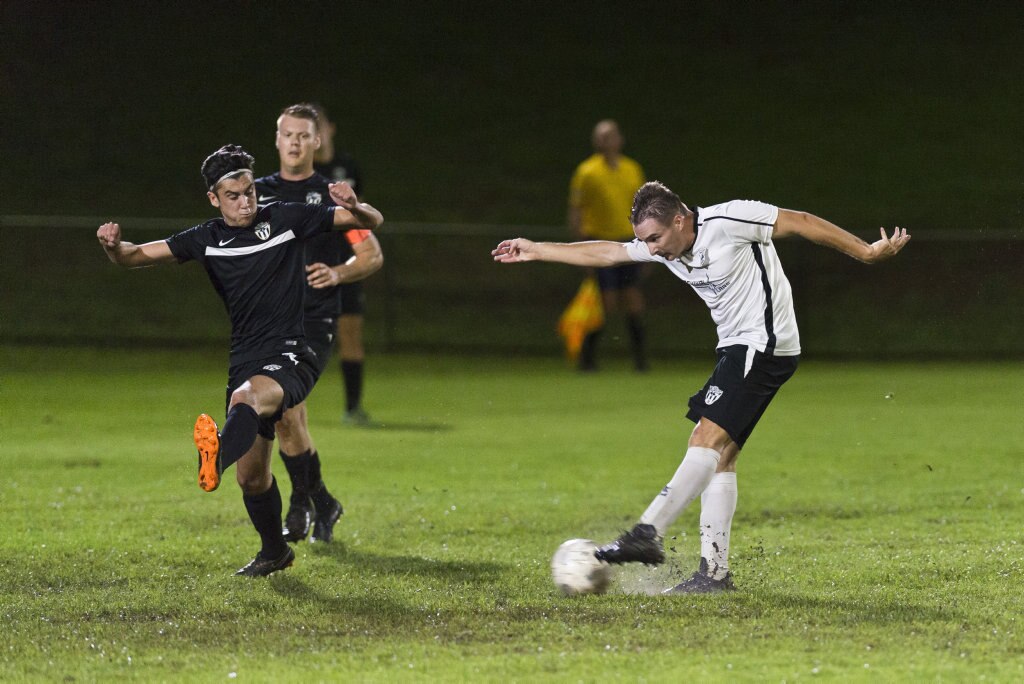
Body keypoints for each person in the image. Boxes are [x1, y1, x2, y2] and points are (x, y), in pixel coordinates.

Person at [493, 181, 910, 593]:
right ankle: (714, 574)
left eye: (656, 238)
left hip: (761, 344)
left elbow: (798, 221)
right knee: (722, 456)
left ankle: (647, 532)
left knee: (704, 438)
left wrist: (867, 252)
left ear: (680, 219)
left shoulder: (731, 219)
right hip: (740, 349)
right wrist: (537, 249)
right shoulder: (664, 245)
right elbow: (609, 252)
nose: (652, 249)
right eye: (646, 241)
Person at [97, 144, 383, 577]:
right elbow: (133, 256)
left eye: (249, 191)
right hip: (245, 357)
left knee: (247, 399)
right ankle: (275, 552)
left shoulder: (285, 218)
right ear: (214, 198)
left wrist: (355, 206)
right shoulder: (205, 239)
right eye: (234, 195)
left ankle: (212, 458)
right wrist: (113, 246)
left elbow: (370, 222)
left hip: (293, 349)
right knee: (251, 478)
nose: (246, 201)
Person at [255, 104, 384, 545]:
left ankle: (299, 505)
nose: (293, 142)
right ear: (276, 140)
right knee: (289, 421)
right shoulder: (255, 194)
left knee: (286, 409)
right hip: (266, 323)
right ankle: (322, 502)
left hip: (313, 320)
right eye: (286, 134)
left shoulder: (332, 196)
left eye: (302, 135)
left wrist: (338, 273)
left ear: (316, 142)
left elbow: (371, 254)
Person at [567, 120, 648, 371]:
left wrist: (649, 242)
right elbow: (576, 211)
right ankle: (587, 359)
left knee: (633, 299)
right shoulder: (587, 171)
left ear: (620, 139)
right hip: (599, 241)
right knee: (606, 302)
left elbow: (646, 208)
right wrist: (580, 248)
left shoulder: (632, 169)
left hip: (629, 241)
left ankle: (640, 361)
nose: (606, 141)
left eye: (611, 135)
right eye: (601, 137)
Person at [310, 104, 373, 425]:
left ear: (330, 128)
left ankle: (353, 407)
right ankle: (286, 406)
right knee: (301, 337)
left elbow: (361, 212)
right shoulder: (302, 172)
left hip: (346, 264)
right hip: (311, 265)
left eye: (318, 124)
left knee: (350, 335)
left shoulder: (348, 166)